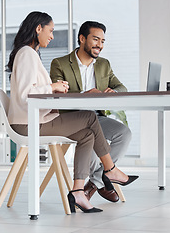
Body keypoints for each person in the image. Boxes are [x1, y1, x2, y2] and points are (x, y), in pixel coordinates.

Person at [8, 11, 138, 213]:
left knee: (87, 134)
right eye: (50, 31)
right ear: (38, 28)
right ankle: (110, 170)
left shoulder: (30, 54)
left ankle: (79, 191)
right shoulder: (27, 53)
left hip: (38, 118)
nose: (52, 36)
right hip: (28, 123)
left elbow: (120, 86)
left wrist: (53, 88)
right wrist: (53, 87)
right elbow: (27, 94)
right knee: (88, 116)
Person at [49, 21, 132, 203]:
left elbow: (121, 86)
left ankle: (95, 182)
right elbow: (56, 96)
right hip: (71, 118)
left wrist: (114, 91)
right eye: (95, 39)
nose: (99, 45)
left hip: (96, 117)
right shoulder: (60, 64)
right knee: (92, 142)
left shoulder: (103, 65)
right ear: (82, 39)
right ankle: (102, 179)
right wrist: (83, 95)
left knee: (123, 133)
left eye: (103, 41)